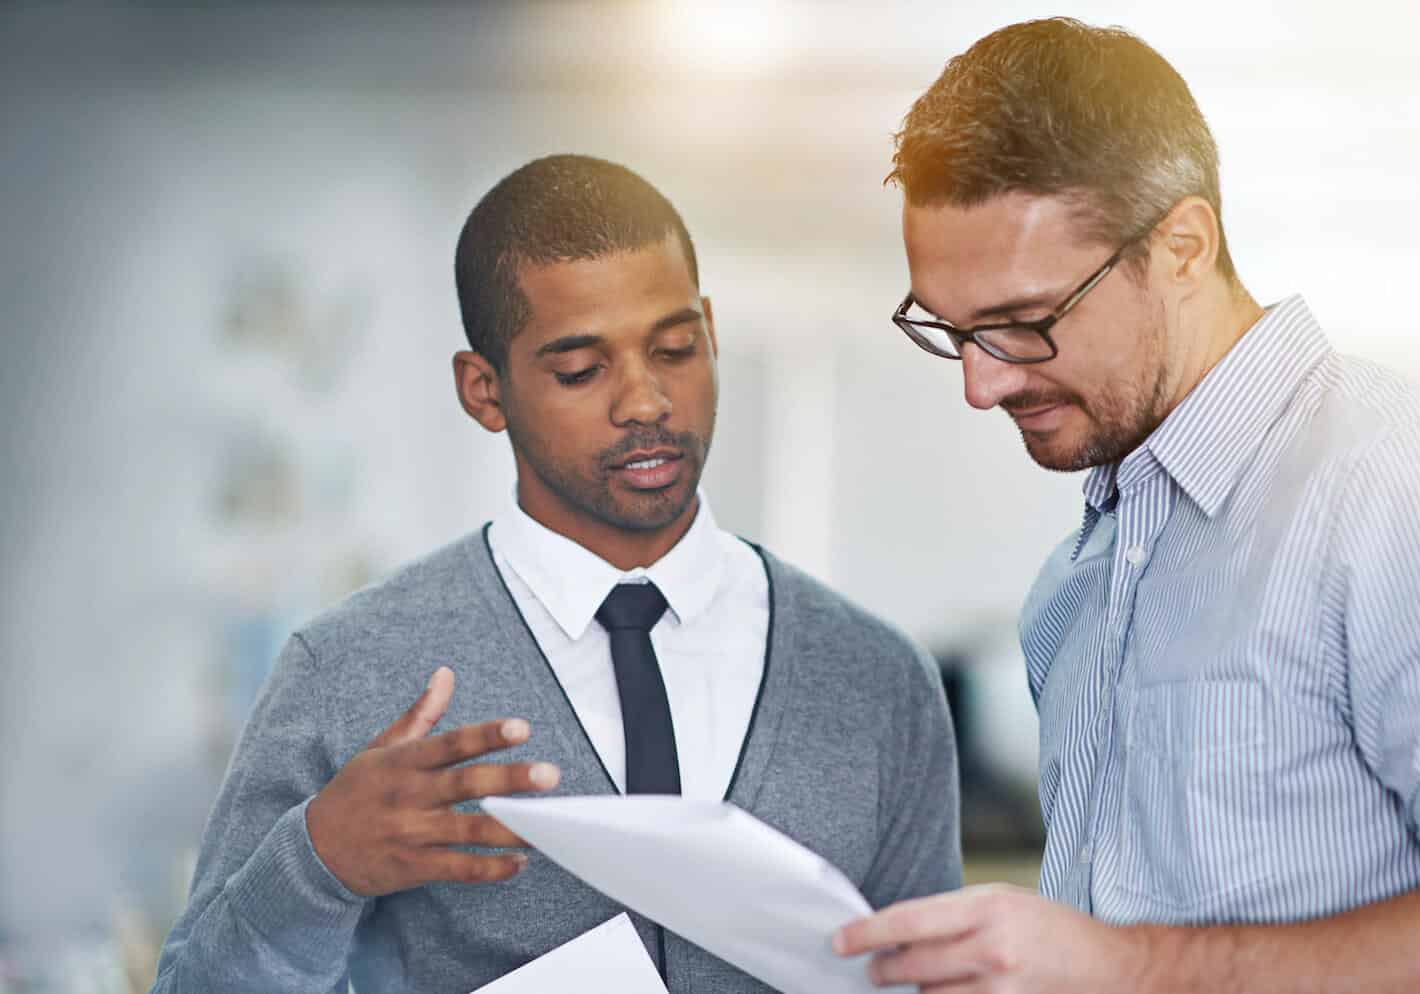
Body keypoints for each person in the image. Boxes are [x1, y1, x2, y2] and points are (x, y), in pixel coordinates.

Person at [835, 18, 1420, 994]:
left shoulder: (1414, 489)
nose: (980, 386)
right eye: (951, 330)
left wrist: (1132, 965)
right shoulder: (1073, 588)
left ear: (1184, 247)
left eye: (1023, 324)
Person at [150, 154, 961, 993]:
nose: (646, 403)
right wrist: (318, 864)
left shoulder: (877, 679)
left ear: (711, 332)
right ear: (484, 390)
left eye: (676, 349)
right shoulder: (351, 670)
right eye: (581, 370)